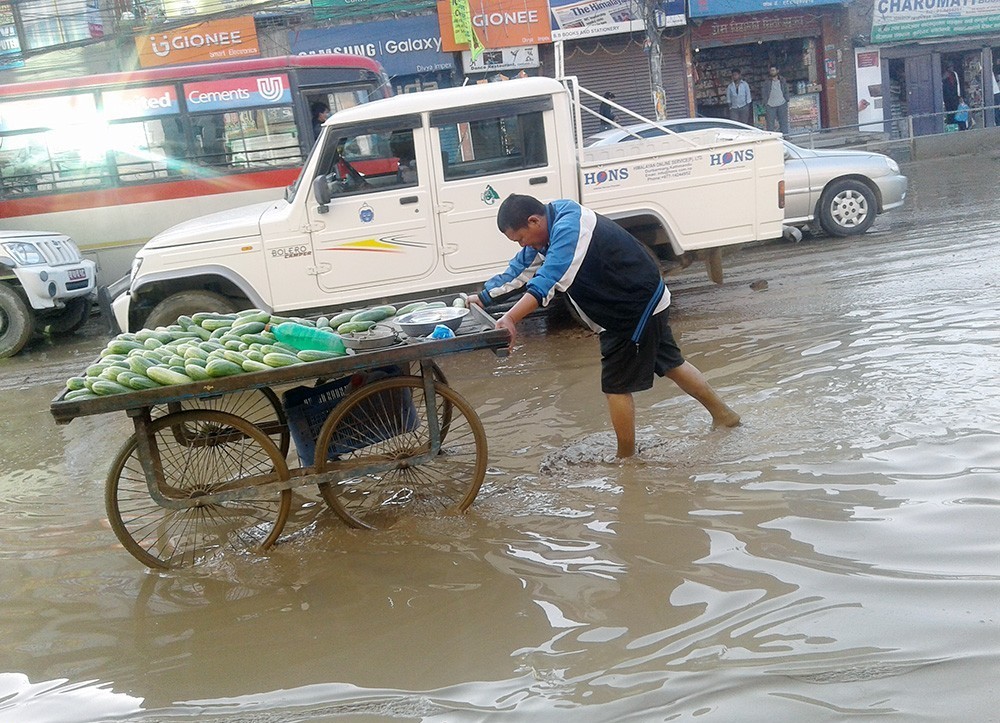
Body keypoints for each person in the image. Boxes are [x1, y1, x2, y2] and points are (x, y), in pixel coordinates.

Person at [470, 194, 741, 459]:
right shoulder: (551, 222)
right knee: (670, 363)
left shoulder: (569, 228)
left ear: (533, 222)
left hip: (631, 308)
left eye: (520, 238)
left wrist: (510, 318)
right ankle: (725, 416)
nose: (522, 245)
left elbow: (548, 280)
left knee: (616, 386)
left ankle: (626, 461)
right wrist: (482, 298)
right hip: (644, 300)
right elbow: (519, 270)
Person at [761, 66, 790, 135]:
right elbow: (764, 92)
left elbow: (786, 89)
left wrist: (787, 99)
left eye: (773, 70)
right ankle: (771, 137)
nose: (772, 72)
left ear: (777, 71)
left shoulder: (782, 80)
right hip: (770, 104)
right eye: (771, 70)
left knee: (783, 121)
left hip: (782, 103)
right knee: (770, 123)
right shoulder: (767, 82)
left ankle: (785, 135)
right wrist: (765, 102)